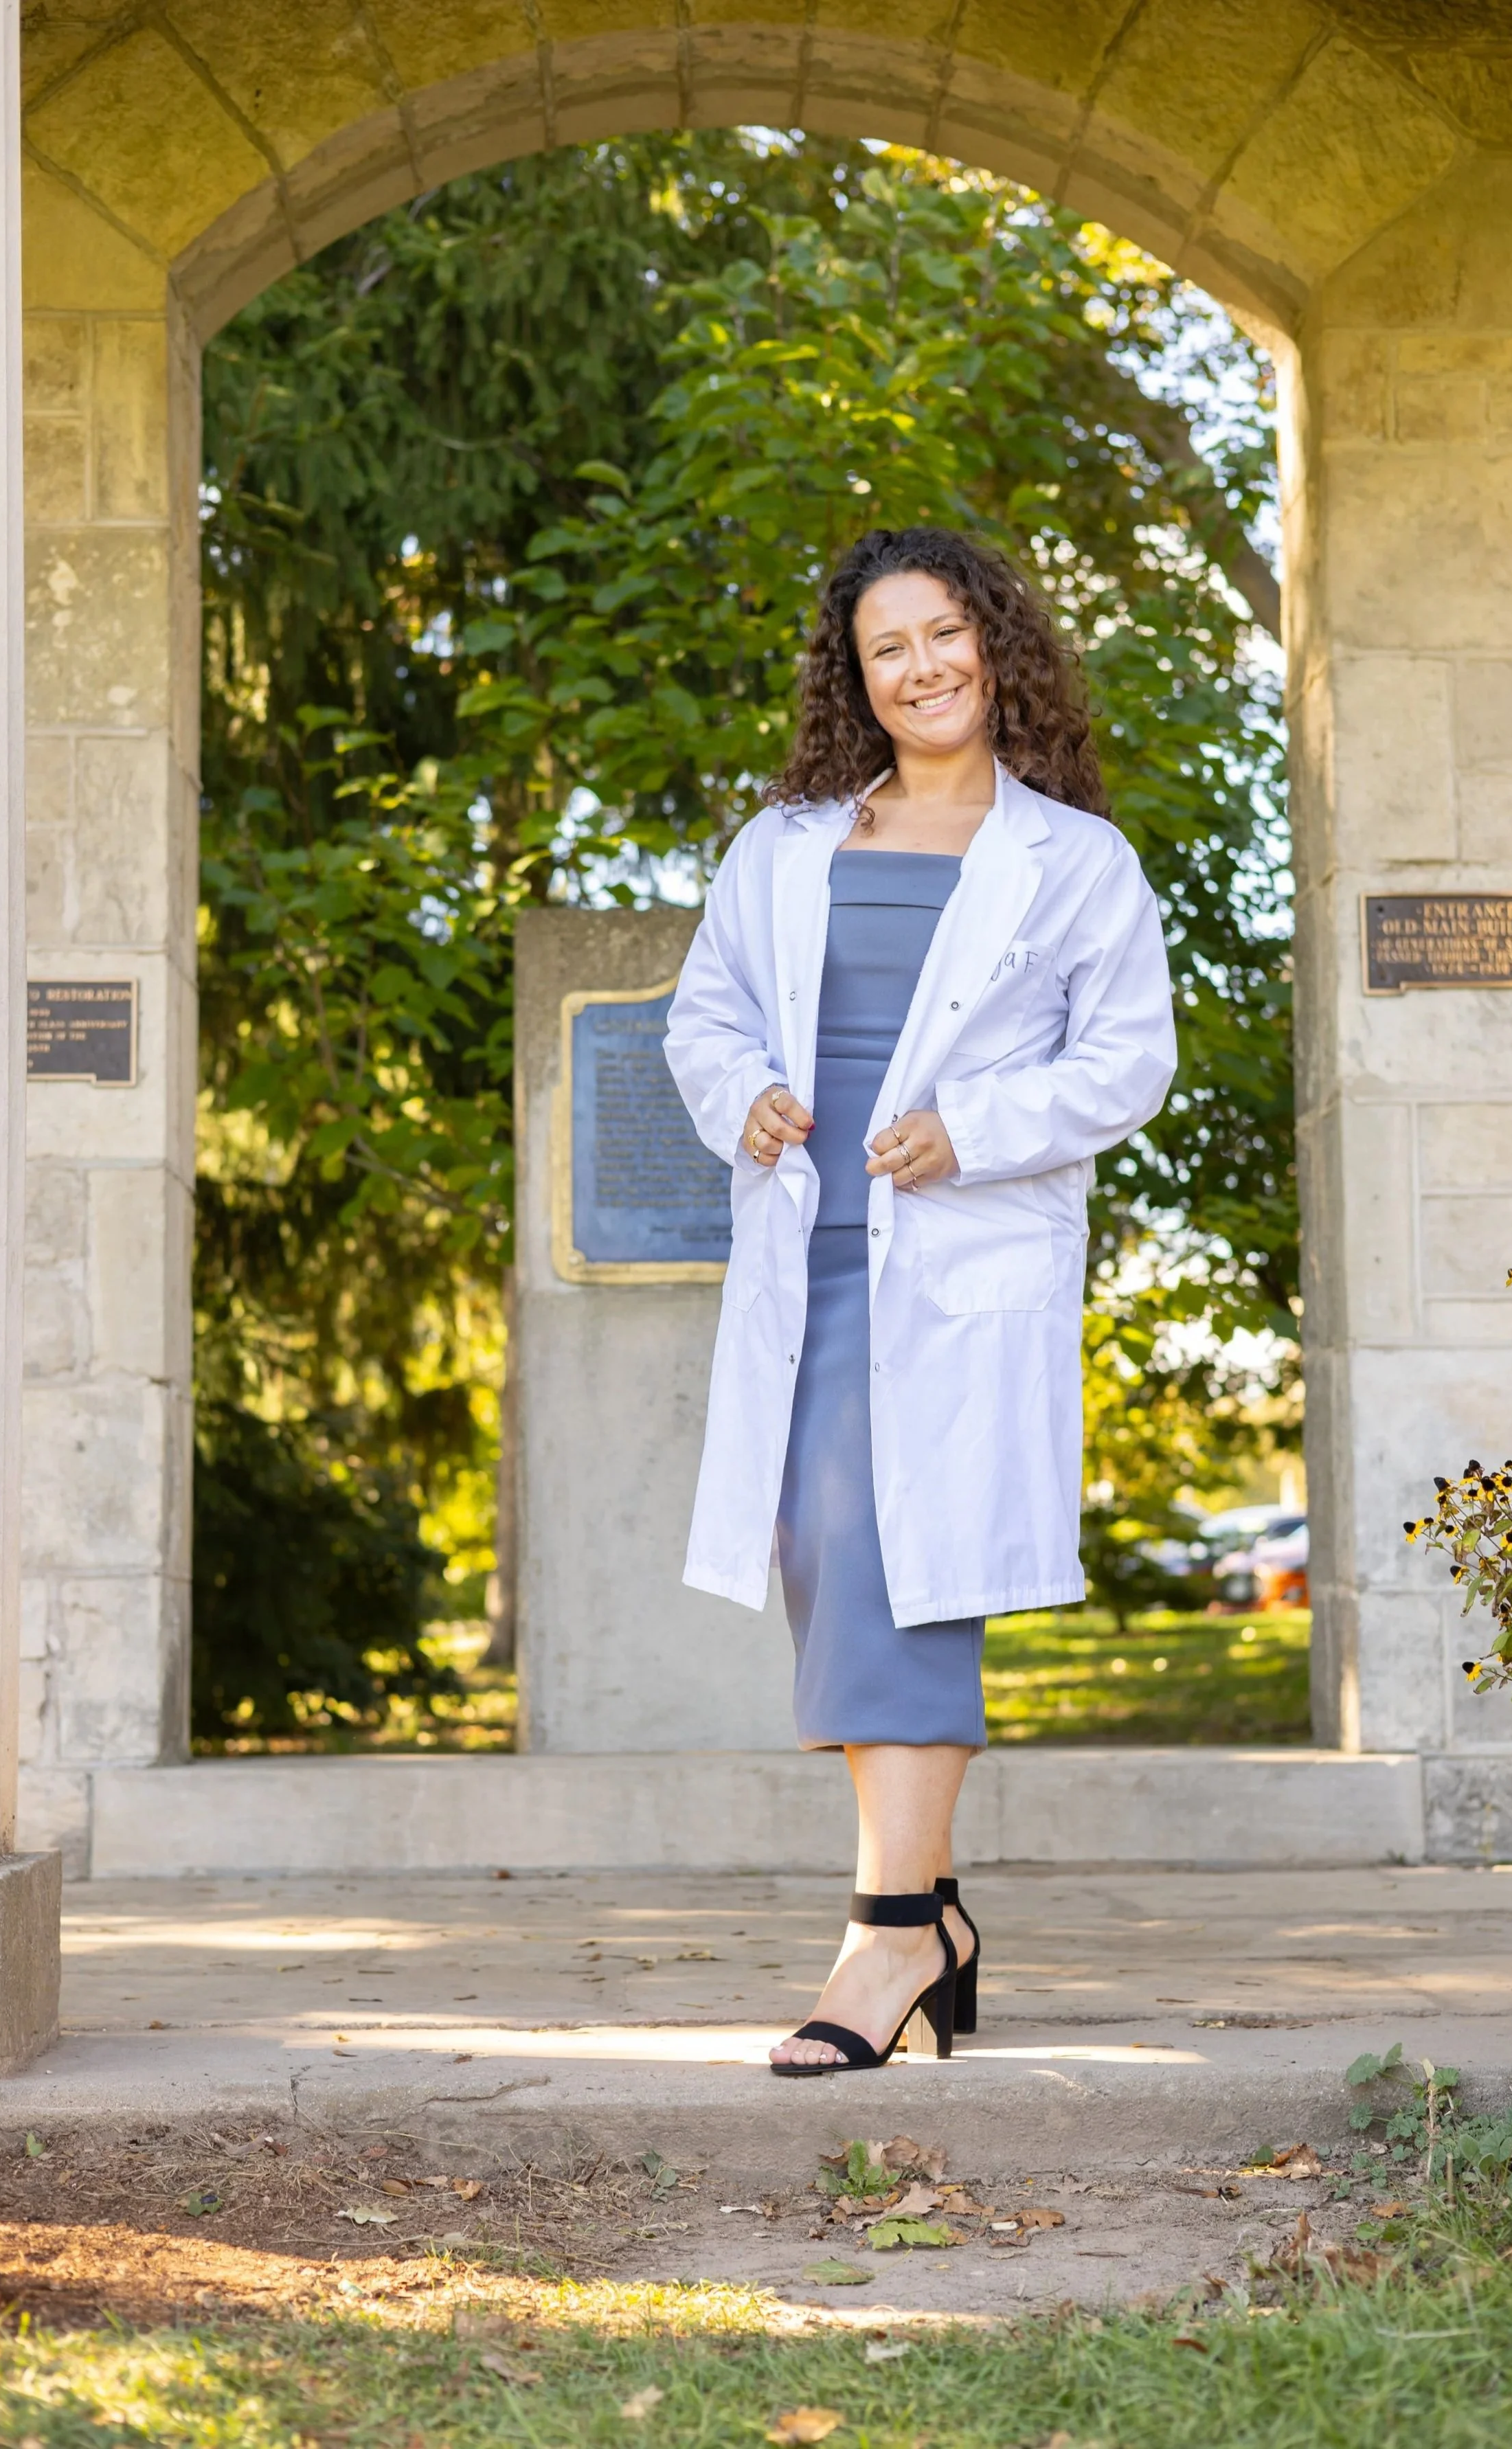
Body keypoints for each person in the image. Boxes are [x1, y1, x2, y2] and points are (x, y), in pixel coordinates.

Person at [665, 526, 1175, 2074]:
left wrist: (981, 1132)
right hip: (811, 1253)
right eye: (889, 648)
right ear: (857, 677)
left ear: (993, 644)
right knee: (831, 1552)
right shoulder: (786, 843)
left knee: (906, 1564)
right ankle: (935, 1912)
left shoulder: (1071, 857)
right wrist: (744, 1093)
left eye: (945, 634)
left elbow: (1128, 1059)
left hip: (957, 1261)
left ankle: (890, 1928)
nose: (923, 667)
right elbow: (709, 1014)